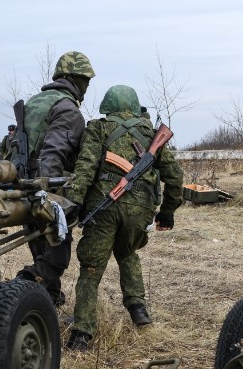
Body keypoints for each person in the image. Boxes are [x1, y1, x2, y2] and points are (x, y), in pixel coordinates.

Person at [63, 85, 183, 351]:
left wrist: (72, 204)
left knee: (91, 270)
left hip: (103, 209)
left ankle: (82, 333)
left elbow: (85, 170)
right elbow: (175, 177)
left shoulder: (99, 128)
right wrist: (167, 213)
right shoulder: (150, 132)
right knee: (127, 253)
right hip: (140, 210)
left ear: (108, 106)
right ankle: (138, 309)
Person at [15, 50, 94, 306]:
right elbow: (53, 154)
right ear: (74, 79)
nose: (87, 86)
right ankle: (21, 288)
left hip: (21, 186)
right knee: (57, 257)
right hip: (44, 189)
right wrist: (50, 200)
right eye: (86, 80)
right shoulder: (68, 109)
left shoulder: (35, 102)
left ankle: (48, 300)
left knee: (40, 245)